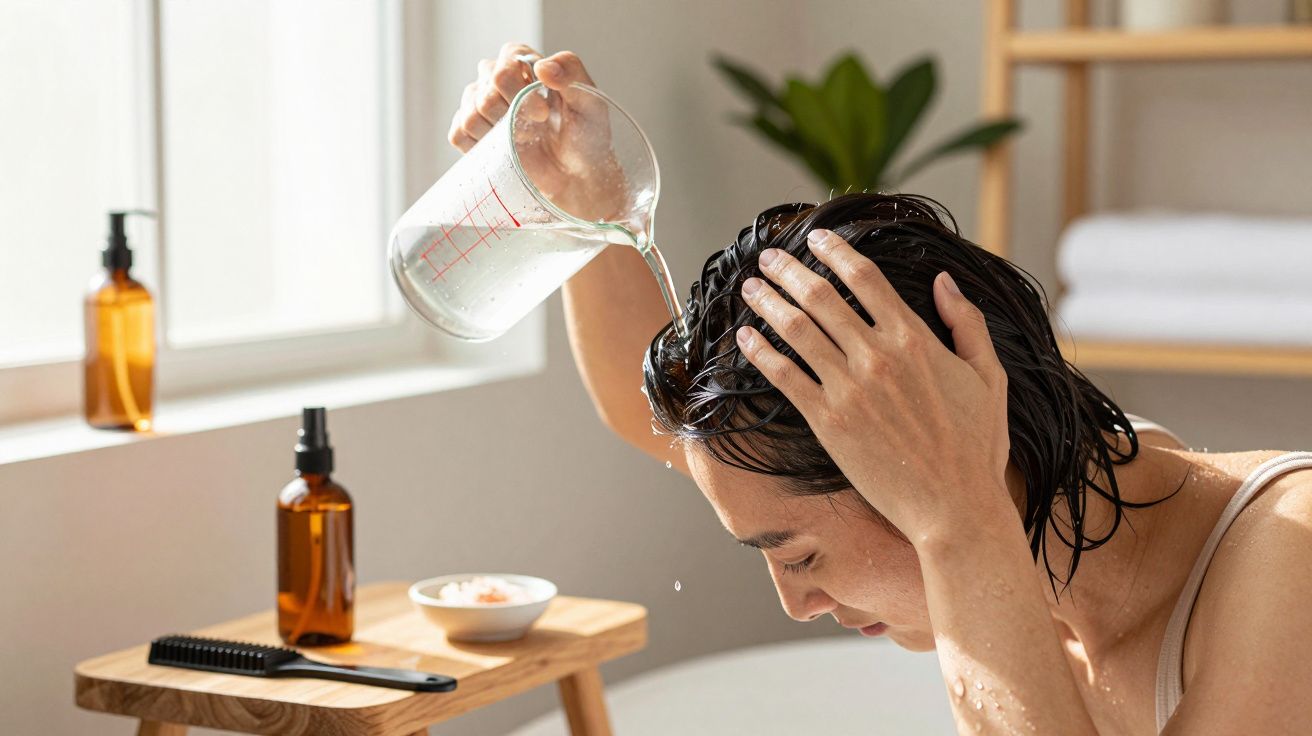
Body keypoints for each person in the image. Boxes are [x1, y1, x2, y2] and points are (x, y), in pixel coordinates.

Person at [450, 44, 1312, 735]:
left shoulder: (1289, 560)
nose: (795, 604)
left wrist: (957, 522)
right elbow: (651, 415)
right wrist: (584, 203)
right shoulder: (1042, 492)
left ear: (938, 456)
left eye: (799, 556)